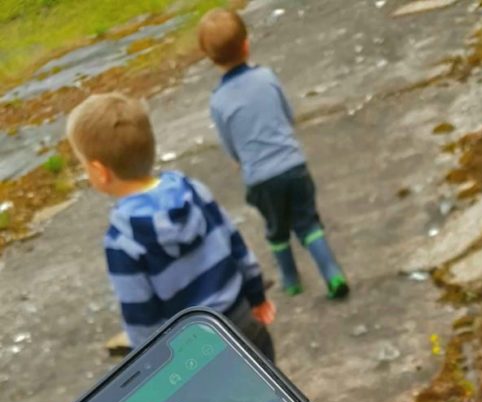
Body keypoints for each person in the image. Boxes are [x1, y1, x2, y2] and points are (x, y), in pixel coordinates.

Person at [66, 92, 276, 359]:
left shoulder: (122, 241)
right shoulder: (194, 191)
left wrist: (152, 364)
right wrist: (257, 295)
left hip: (198, 354)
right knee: (272, 397)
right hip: (244, 322)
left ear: (100, 171)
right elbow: (237, 247)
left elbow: (142, 319)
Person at [198, 8, 350, 300]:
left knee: (276, 230)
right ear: (246, 43)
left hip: (260, 178)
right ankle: (332, 273)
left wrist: (243, 160)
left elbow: (231, 146)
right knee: (307, 224)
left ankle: (291, 280)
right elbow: (287, 115)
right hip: (293, 166)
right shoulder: (266, 77)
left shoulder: (218, 101)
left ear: (209, 58)